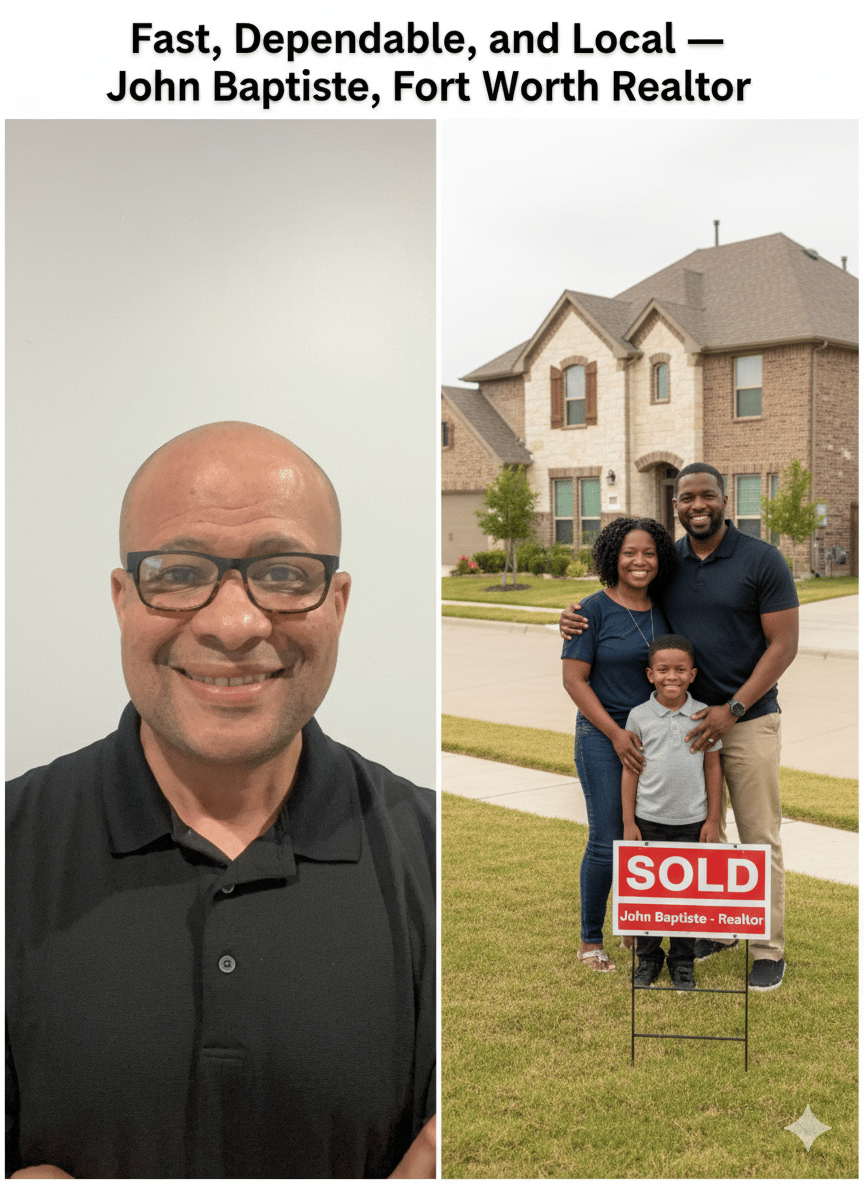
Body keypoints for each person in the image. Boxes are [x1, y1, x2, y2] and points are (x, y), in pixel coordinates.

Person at [6, 421, 436, 1180]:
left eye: (284, 573)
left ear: (338, 604)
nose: (234, 623)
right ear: (121, 600)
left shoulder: (433, 854)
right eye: (175, 572)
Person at [561, 462, 799, 991]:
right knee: (692, 834)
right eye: (687, 497)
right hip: (681, 727)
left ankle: (767, 950)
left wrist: (732, 709)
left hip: (747, 718)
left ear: (724, 499)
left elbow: (784, 645)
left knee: (758, 835)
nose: (697, 505)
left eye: (707, 495)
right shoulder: (670, 563)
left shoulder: (763, 560)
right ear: (677, 506)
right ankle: (704, 934)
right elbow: (625, 590)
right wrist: (571, 615)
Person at [562, 517, 678, 973]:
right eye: (630, 552)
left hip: (658, 740)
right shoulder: (590, 611)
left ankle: (635, 924)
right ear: (613, 557)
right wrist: (614, 733)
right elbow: (574, 680)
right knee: (607, 838)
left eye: (648, 552)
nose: (639, 561)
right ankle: (591, 940)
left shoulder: (665, 609)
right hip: (602, 738)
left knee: (646, 834)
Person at [622, 634, 722, 992]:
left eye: (680, 670)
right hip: (649, 819)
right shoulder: (638, 717)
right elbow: (630, 769)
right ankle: (648, 959)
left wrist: (712, 819)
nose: (671, 677)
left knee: (686, 898)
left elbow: (713, 767)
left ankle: (682, 962)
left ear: (692, 674)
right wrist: (629, 822)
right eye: (662, 670)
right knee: (649, 896)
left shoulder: (703, 715)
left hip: (691, 823)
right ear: (650, 675)